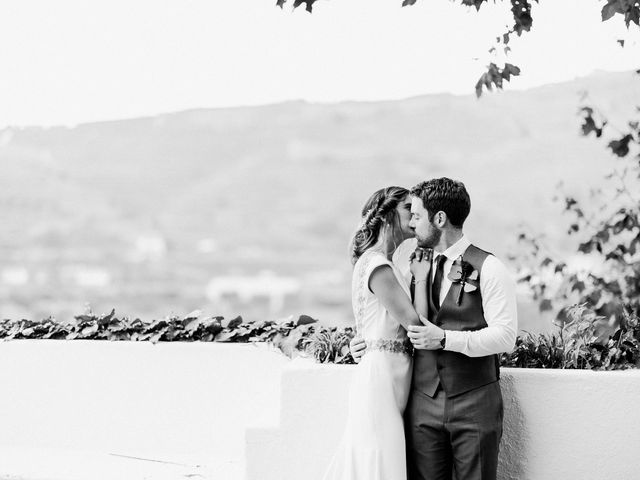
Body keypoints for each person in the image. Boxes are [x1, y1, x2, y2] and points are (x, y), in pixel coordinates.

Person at [350, 177, 518, 480]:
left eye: (417, 215)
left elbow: (505, 337)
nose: (413, 223)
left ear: (439, 219)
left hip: (475, 403)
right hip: (421, 405)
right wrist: (365, 343)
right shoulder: (412, 271)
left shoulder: (490, 268)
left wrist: (445, 339)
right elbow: (391, 321)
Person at [321, 186, 432, 480]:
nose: (415, 214)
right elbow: (415, 323)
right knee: (381, 462)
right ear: (386, 216)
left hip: (389, 375)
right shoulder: (378, 266)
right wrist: (421, 279)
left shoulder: (381, 263)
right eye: (408, 208)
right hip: (380, 379)